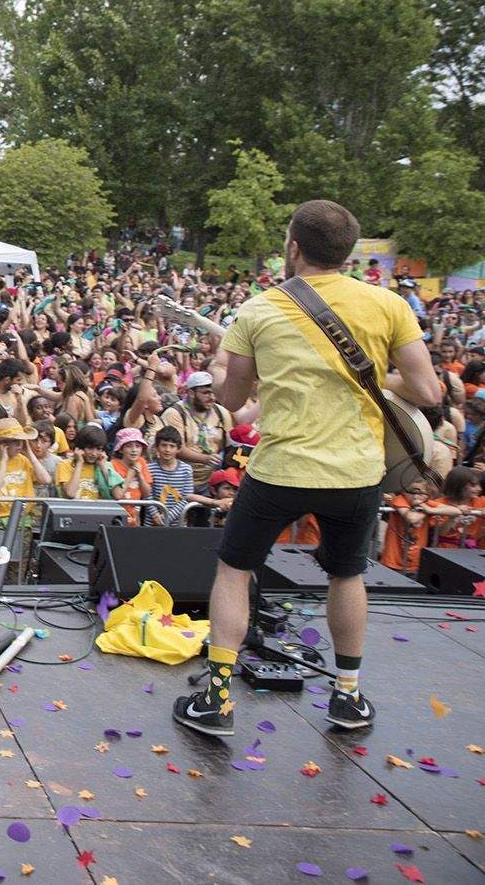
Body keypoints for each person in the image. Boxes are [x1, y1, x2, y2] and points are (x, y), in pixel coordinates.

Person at [174, 200, 442, 739]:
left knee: (234, 570)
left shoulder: (260, 309)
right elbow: (429, 391)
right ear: (346, 251)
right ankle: (347, 697)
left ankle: (218, 700)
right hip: (357, 470)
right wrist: (375, 379)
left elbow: (230, 398)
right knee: (348, 574)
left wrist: (219, 364)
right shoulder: (388, 304)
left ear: (293, 246)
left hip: (280, 468)